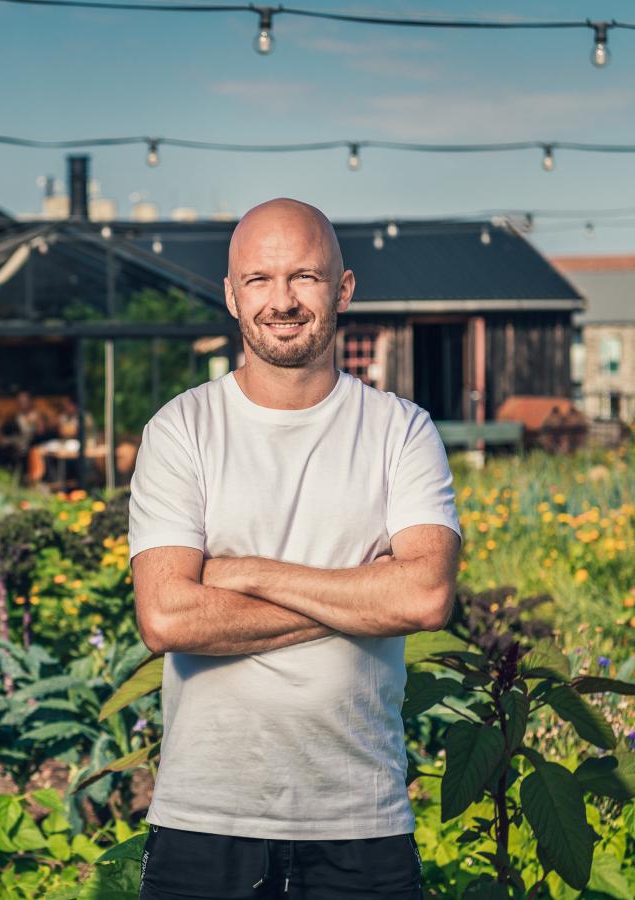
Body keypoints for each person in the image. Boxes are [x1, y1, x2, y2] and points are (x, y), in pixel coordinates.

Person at [128, 198, 462, 898]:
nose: (282, 301)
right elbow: (166, 618)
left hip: (360, 821)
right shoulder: (181, 429)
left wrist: (242, 573)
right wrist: (362, 597)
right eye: (260, 279)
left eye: (304, 277)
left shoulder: (401, 431)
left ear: (343, 289)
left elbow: (425, 596)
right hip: (204, 818)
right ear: (232, 295)